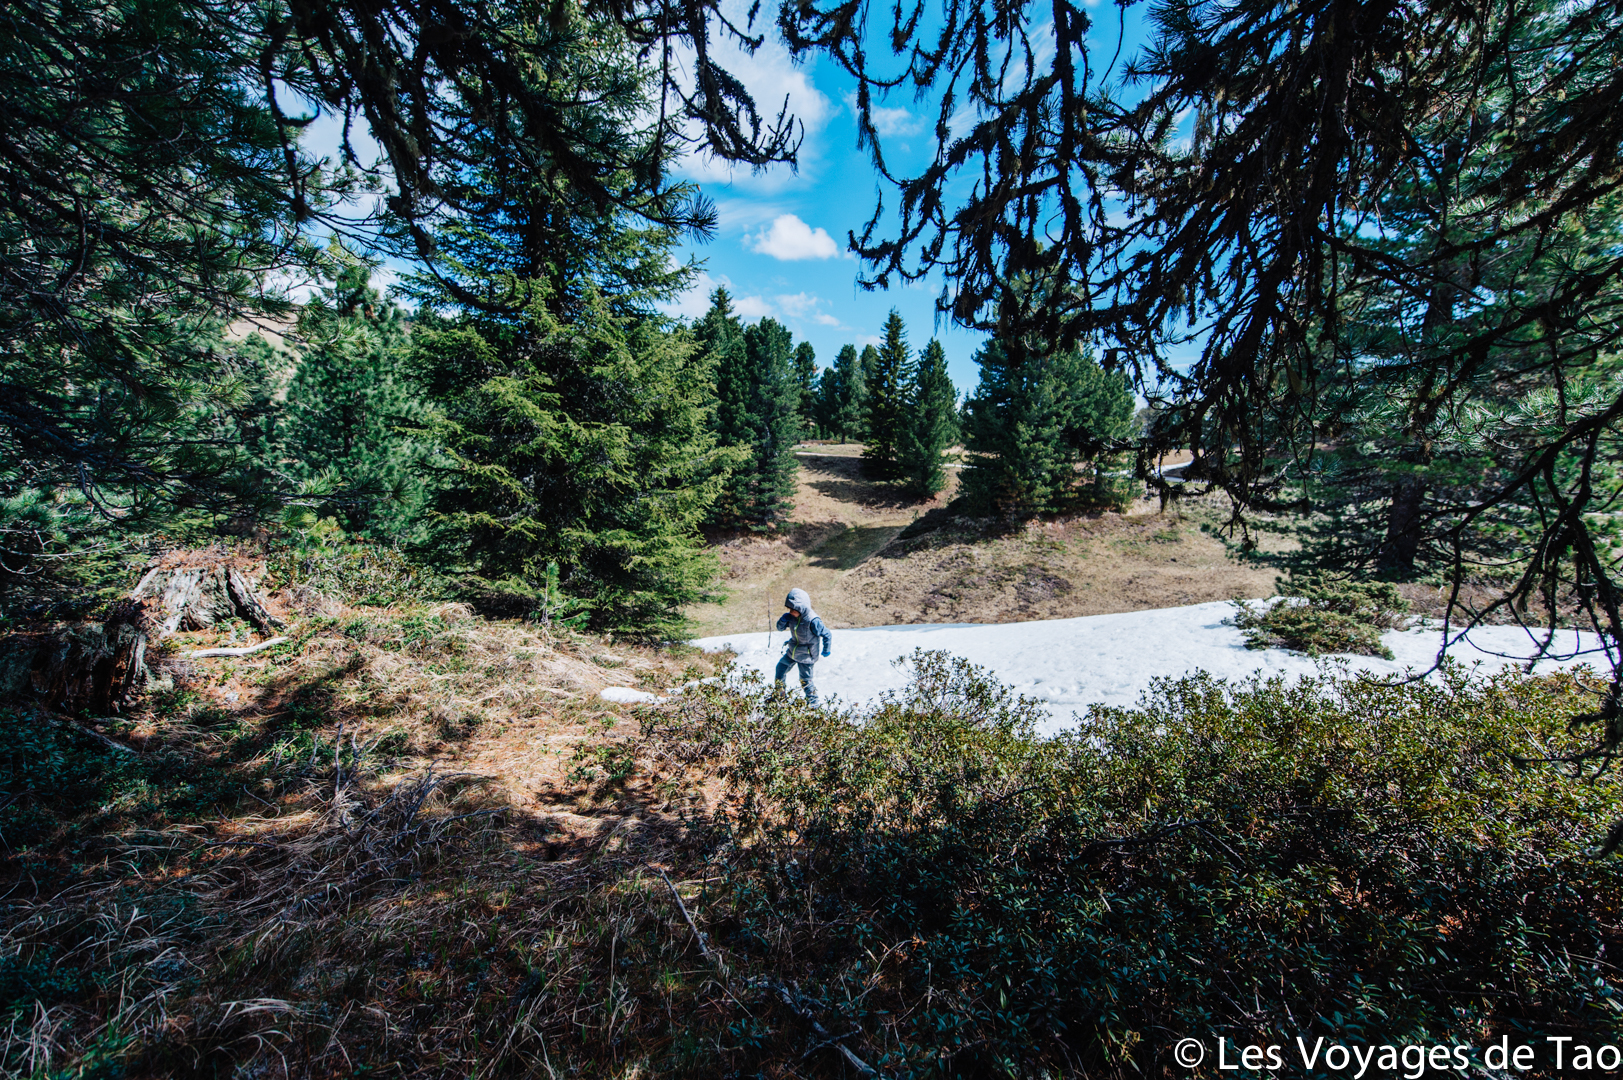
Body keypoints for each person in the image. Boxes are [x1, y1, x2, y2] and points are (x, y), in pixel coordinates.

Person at [774, 588, 832, 705]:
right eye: (789, 609)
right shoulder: (791, 617)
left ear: (802, 608)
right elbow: (780, 628)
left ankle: (814, 705)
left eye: (794, 609)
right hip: (793, 651)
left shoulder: (813, 620)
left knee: (805, 681)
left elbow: (827, 634)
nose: (791, 612)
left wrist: (826, 649)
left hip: (807, 655)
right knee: (780, 669)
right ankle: (780, 697)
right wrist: (783, 620)